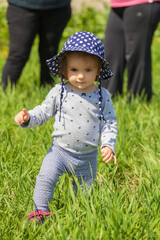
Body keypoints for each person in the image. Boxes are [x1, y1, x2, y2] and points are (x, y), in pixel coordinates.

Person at [15, 31, 118, 223]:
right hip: (59, 151)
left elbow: (109, 122)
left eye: (88, 70)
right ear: (64, 70)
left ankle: (78, 218)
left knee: (84, 193)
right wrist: (28, 117)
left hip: (87, 157)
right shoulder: (59, 91)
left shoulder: (102, 95)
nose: (80, 76)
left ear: (98, 71)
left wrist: (108, 145)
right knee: (46, 177)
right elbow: (43, 112)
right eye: (74, 70)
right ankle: (40, 212)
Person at [2, 0, 71, 89]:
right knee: (18, 56)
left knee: (50, 54)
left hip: (58, 7)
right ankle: (5, 94)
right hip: (22, 7)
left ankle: (48, 94)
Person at [102, 0, 160, 101]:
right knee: (111, 55)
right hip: (117, 4)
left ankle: (138, 103)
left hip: (142, 2)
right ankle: (107, 102)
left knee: (137, 57)